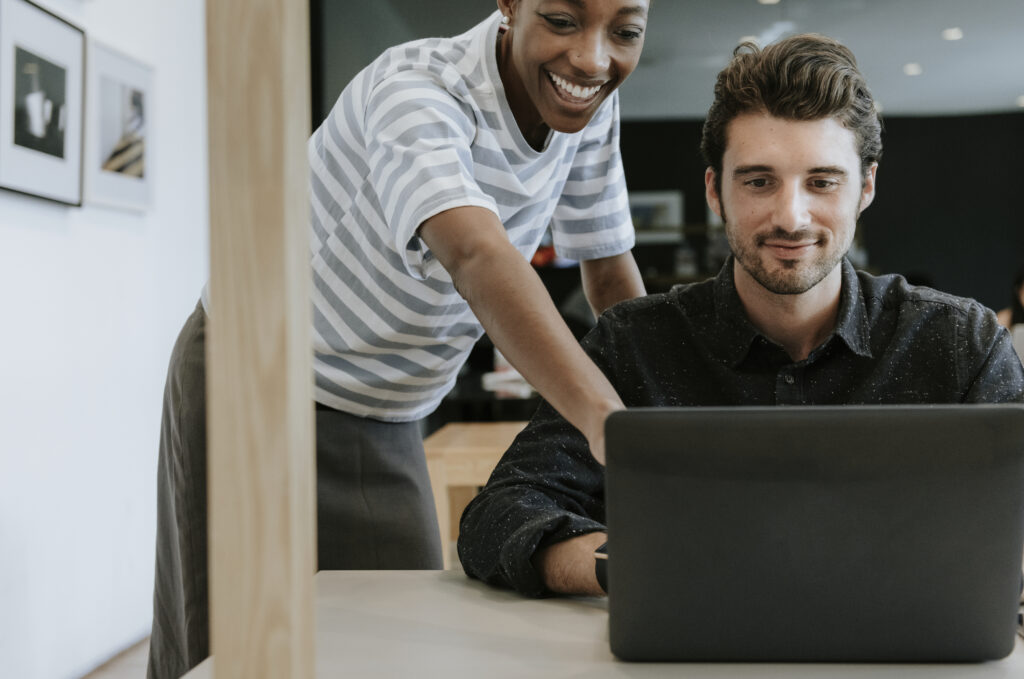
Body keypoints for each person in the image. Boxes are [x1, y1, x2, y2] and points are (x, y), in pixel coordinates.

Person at [147, 1, 652, 677]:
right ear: (509, 3)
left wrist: (668, 420)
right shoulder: (417, 89)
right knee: (234, 654)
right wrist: (612, 425)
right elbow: (476, 254)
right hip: (254, 378)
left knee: (405, 648)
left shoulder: (586, 109)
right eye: (563, 19)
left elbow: (612, 275)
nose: (593, 59)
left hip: (389, 412)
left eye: (624, 31)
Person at [457, 33, 1024, 598]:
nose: (791, 217)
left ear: (866, 187)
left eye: (822, 182)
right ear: (714, 190)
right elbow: (497, 516)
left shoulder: (959, 342)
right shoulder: (633, 342)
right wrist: (629, 564)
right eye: (758, 181)